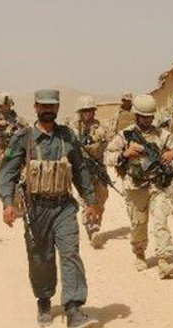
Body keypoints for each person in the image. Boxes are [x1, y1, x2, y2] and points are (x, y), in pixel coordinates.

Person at [0, 89, 97, 327]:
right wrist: (7, 203)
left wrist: (91, 201)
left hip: (64, 207)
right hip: (35, 210)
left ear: (58, 107)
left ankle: (73, 309)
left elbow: (81, 170)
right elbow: (7, 172)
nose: (48, 110)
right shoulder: (24, 137)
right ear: (35, 107)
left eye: (52, 106)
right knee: (40, 258)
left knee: (70, 253)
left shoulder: (67, 136)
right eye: (43, 106)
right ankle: (44, 300)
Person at [105, 94, 173, 279]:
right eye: (143, 117)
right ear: (136, 116)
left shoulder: (161, 134)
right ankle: (139, 253)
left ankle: (164, 260)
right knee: (138, 225)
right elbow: (107, 156)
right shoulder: (125, 135)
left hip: (158, 186)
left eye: (150, 117)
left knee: (161, 222)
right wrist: (125, 154)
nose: (147, 120)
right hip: (135, 186)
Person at [69, 95, 109, 248]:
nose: (87, 114)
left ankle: (95, 223)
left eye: (89, 111)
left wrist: (95, 147)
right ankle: (92, 229)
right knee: (86, 199)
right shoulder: (74, 129)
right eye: (84, 111)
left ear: (93, 111)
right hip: (81, 169)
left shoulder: (100, 128)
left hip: (97, 168)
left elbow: (106, 145)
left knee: (102, 196)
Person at [0, 91, 26, 171]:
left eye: (7, 105)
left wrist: (9, 124)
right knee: (2, 167)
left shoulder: (15, 117)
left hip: (11, 147)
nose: (5, 107)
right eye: (3, 105)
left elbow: (25, 127)